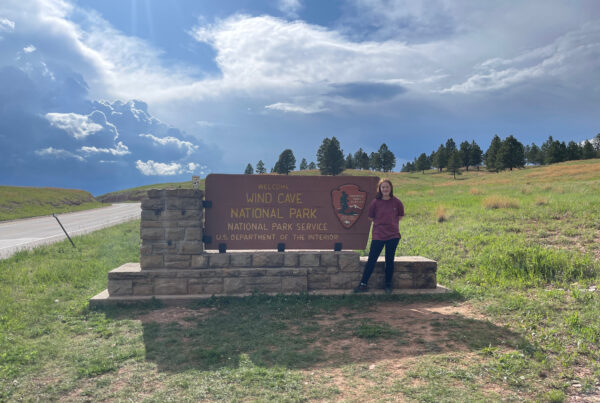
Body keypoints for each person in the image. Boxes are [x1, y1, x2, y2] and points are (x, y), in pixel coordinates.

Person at [354, 178, 404, 294]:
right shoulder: (375, 202)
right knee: (372, 259)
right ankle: (363, 284)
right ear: (380, 189)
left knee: (389, 260)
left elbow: (400, 215)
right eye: (383, 187)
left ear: (390, 188)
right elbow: (371, 217)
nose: (385, 189)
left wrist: (391, 223)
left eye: (387, 187)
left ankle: (388, 285)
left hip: (393, 235)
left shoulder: (396, 202)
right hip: (378, 235)